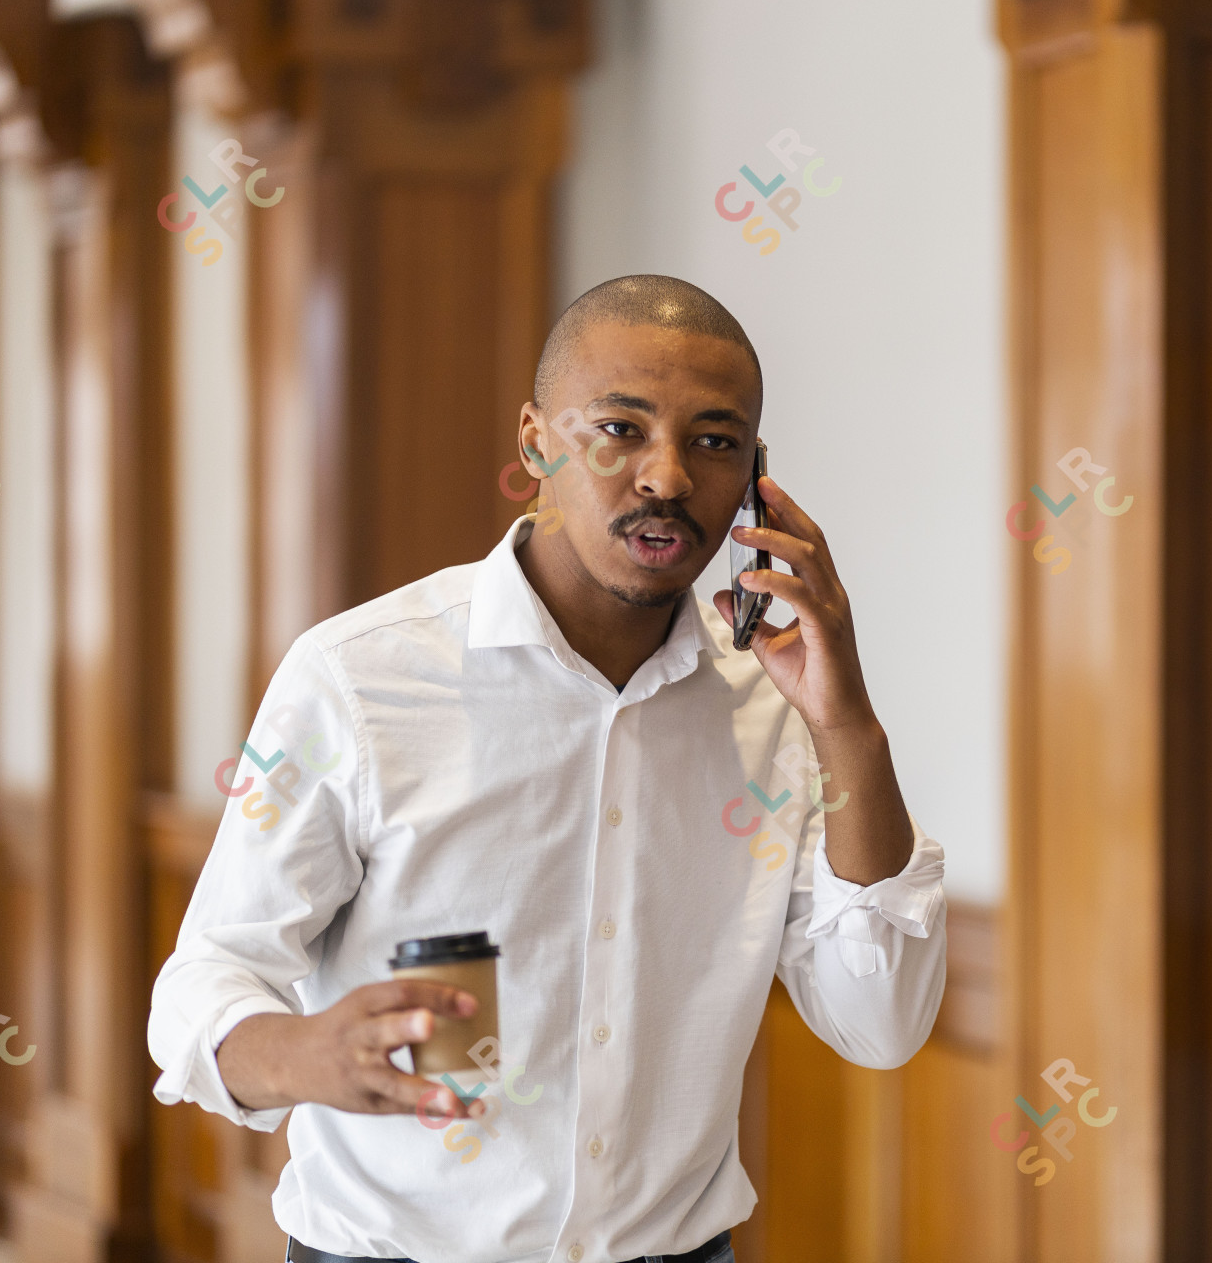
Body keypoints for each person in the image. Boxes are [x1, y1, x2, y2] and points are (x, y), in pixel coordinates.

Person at [147, 275, 947, 1263]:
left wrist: (849, 726)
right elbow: (208, 975)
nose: (665, 476)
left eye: (714, 439)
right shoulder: (359, 677)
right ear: (535, 441)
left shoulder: (778, 708)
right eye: (620, 428)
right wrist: (306, 1053)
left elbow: (883, 1021)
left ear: (755, 474)